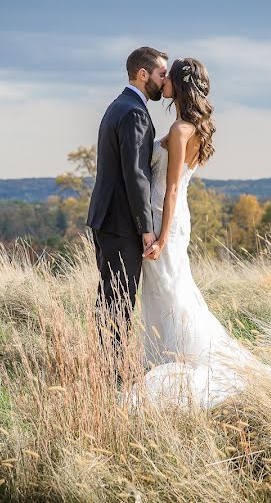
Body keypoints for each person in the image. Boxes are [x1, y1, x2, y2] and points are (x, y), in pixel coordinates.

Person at [125, 57, 271, 410]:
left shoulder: (179, 131)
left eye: (167, 77)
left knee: (170, 292)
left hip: (167, 218)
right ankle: (165, 355)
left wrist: (159, 236)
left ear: (177, 84)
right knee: (171, 290)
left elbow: (172, 187)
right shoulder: (191, 127)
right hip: (173, 219)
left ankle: (178, 361)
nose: (163, 82)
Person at [86, 46, 168, 385]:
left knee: (110, 296)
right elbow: (136, 175)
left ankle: (107, 366)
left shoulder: (119, 106)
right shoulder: (133, 112)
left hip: (107, 219)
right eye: (161, 74)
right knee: (119, 298)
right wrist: (146, 229)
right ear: (143, 74)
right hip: (121, 223)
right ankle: (114, 373)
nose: (164, 81)